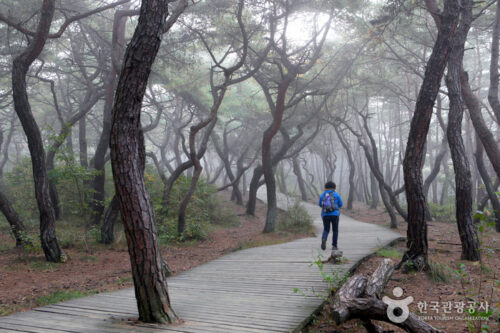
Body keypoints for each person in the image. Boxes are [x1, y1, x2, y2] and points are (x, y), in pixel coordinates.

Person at [318, 181, 343, 251]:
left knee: (326, 229)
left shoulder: (322, 195)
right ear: (334, 187)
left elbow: (320, 204)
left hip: (325, 215)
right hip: (335, 215)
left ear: (325, 187)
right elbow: (341, 204)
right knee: (335, 230)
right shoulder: (336, 194)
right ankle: (334, 246)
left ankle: (324, 238)